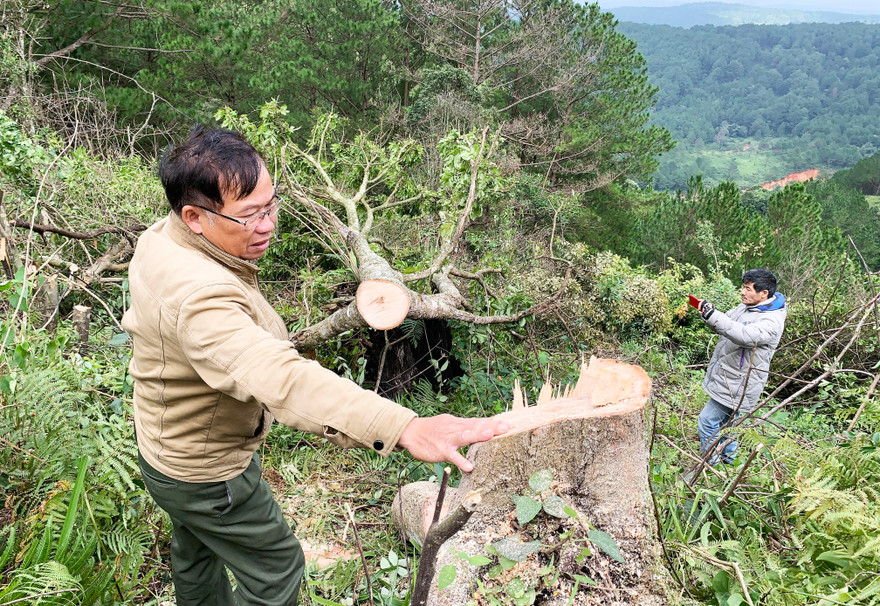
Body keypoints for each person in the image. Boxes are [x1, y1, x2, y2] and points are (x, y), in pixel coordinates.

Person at [121, 126, 509, 606]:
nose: (268, 225)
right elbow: (280, 376)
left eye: (270, 205)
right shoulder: (200, 296)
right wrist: (403, 425)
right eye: (250, 216)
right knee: (278, 571)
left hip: (165, 447)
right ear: (195, 216)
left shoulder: (163, 238)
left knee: (196, 550)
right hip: (207, 472)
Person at [689, 268, 787, 464]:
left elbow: (743, 335)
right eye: (743, 287)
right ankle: (729, 460)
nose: (743, 292)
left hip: (739, 382)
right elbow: (724, 323)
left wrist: (714, 316)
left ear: (764, 293)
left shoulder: (771, 320)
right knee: (729, 424)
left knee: (707, 421)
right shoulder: (749, 306)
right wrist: (709, 313)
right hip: (729, 375)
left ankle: (711, 464)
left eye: (748, 288)